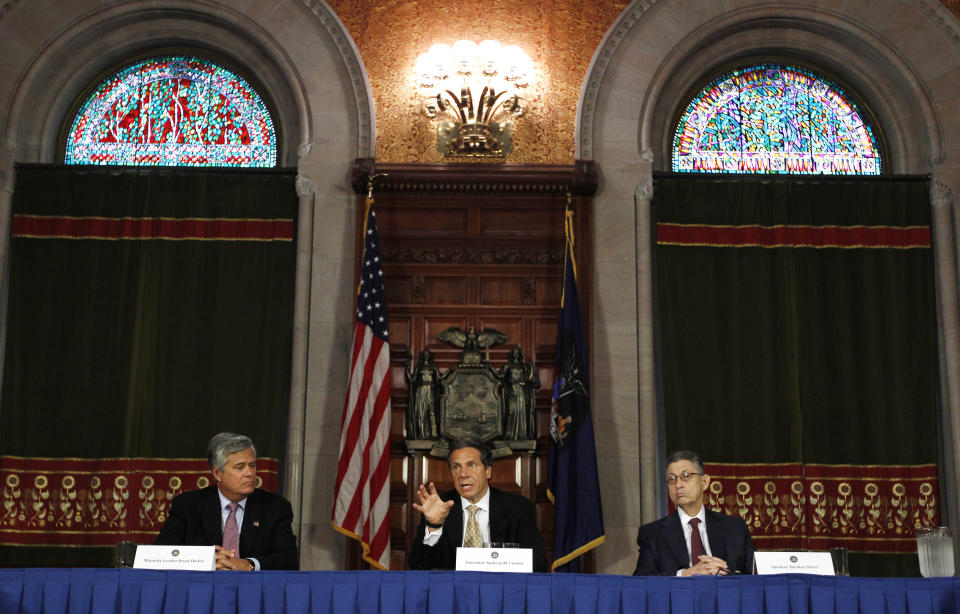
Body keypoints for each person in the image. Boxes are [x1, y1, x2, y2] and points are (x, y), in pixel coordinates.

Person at [154, 432, 299, 570]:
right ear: (217, 473)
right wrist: (206, 560)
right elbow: (160, 554)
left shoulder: (275, 507)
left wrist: (249, 565)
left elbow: (289, 559)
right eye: (240, 467)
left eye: (252, 465)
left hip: (253, 591)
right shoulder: (188, 505)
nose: (249, 473)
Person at [408, 437, 547, 572]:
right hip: (452, 592)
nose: (462, 474)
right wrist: (434, 526)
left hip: (501, 591)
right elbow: (418, 566)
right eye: (456, 467)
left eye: (471, 465)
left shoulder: (518, 508)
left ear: (488, 471)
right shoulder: (439, 507)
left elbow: (538, 565)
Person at [633, 450, 755, 576]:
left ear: (705, 482)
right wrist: (685, 574)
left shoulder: (735, 528)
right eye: (672, 479)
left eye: (686, 476)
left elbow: (756, 576)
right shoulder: (652, 534)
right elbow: (641, 582)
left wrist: (726, 574)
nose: (678, 484)